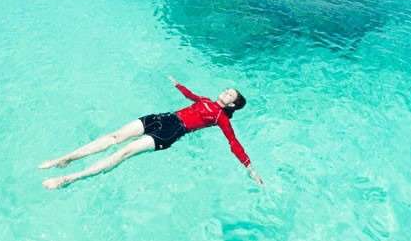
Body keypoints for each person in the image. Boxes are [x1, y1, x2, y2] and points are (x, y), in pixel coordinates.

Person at [39, 76, 263, 189]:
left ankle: (69, 178)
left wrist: (249, 168)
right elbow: (191, 96)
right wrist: (177, 84)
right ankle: (64, 159)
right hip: (161, 118)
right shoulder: (205, 100)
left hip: (171, 132)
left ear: (231, 105)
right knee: (114, 137)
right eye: (226, 90)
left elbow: (233, 143)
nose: (224, 92)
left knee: (122, 153)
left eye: (229, 95)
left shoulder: (220, 118)